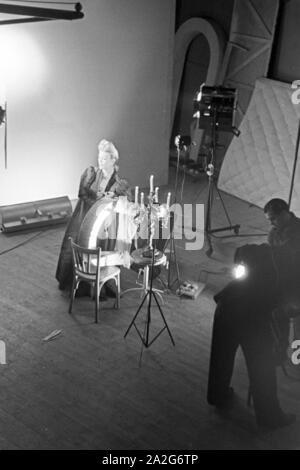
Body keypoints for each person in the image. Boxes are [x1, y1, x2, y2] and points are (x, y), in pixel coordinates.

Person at [207, 243, 296, 429]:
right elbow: (285, 311)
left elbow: (241, 251)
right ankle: (270, 418)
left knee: (221, 357)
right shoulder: (292, 272)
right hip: (252, 317)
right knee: (262, 369)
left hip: (227, 306)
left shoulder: (268, 252)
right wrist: (280, 345)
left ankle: (218, 396)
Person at [55, 139, 131, 292]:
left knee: (99, 251)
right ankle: (78, 284)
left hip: (103, 223)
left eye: (104, 159)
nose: (100, 162)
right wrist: (100, 198)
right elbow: (82, 194)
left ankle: (98, 285)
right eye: (99, 158)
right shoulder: (91, 173)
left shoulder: (118, 183)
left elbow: (123, 202)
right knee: (77, 247)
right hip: (84, 216)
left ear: (113, 160)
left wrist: (113, 199)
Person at [263, 198, 300, 361]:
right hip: (284, 284)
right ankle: (280, 348)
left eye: (273, 219)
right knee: (273, 310)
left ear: (285, 213)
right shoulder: (274, 233)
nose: (271, 223)